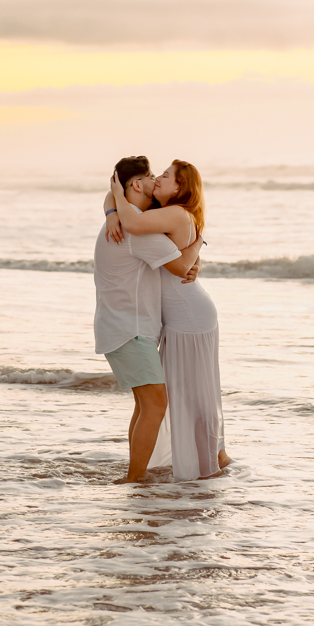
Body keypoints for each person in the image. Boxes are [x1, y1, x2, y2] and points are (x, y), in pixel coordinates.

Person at [107, 159, 230, 481]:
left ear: (180, 187)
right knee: (193, 391)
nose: (158, 178)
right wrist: (111, 210)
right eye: (155, 175)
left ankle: (215, 459)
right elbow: (122, 203)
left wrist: (116, 200)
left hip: (188, 315)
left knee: (196, 394)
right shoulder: (161, 214)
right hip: (181, 315)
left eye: (165, 175)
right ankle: (216, 457)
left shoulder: (173, 213)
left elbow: (132, 221)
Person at [94, 156, 204, 482]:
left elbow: (113, 194)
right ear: (137, 185)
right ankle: (134, 480)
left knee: (145, 405)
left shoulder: (125, 221)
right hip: (130, 331)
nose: (156, 180)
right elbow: (181, 267)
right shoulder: (136, 231)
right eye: (152, 175)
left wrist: (112, 206)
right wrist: (198, 243)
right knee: (155, 404)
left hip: (124, 328)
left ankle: (134, 476)